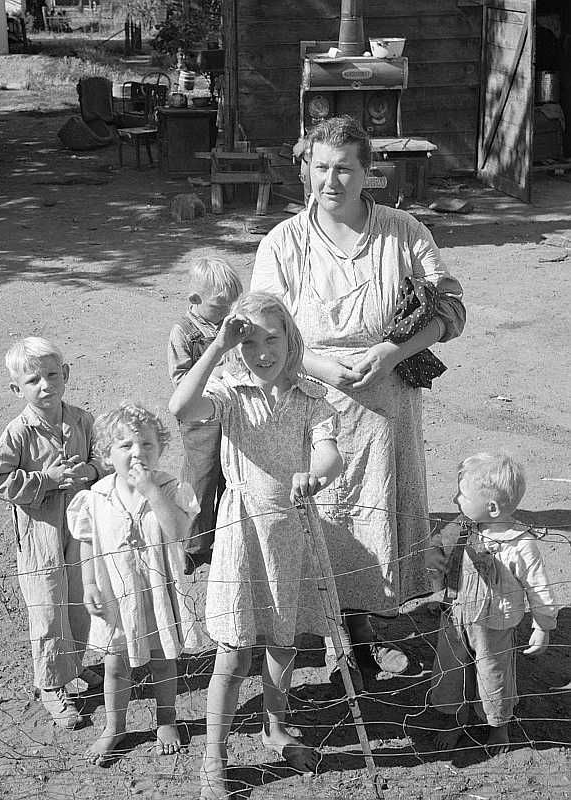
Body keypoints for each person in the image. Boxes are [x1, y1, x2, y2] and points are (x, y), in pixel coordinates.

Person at [251, 115, 466, 675]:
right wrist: (321, 365)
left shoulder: (404, 232)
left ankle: (365, 633)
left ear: (369, 173)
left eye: (344, 168)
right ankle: (318, 634)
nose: (330, 180)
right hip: (311, 405)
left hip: (384, 407)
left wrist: (390, 353)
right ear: (304, 171)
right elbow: (259, 329)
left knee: (373, 520)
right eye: (320, 167)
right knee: (320, 515)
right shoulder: (284, 242)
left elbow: (450, 310)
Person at [169, 292, 344, 799]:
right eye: (250, 342)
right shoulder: (230, 390)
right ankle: (214, 756)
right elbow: (181, 407)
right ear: (236, 347)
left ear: (291, 337)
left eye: (273, 338)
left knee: (283, 641)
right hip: (241, 531)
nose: (262, 352)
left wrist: (314, 475)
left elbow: (331, 455)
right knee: (233, 651)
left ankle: (275, 724)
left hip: (290, 530)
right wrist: (219, 345)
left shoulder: (312, 397)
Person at [67, 402, 202, 765]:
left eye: (146, 444)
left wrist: (150, 491)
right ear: (108, 454)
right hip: (115, 595)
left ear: (160, 448)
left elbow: (178, 532)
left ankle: (166, 720)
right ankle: (115, 727)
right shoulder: (96, 496)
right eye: (125, 445)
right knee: (115, 664)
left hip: (158, 593)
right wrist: (89, 583)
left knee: (161, 661)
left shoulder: (172, 488)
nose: (137, 452)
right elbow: (88, 540)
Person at [0, 337, 106, 728]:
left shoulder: (82, 421)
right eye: (33, 380)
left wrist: (90, 472)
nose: (45, 385)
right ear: (16, 388)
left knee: (79, 603)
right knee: (49, 610)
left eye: (52, 375)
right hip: (41, 537)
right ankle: (51, 685)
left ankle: (72, 666)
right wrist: (45, 480)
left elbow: (104, 458)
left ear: (66, 375)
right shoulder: (18, 432)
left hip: (81, 533)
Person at [426, 453, 558, 755]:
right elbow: (438, 555)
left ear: (492, 507)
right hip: (456, 615)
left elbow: (538, 586)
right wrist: (437, 593)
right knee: (452, 669)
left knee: (494, 674)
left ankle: (499, 726)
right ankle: (456, 719)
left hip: (495, 625)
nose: (455, 497)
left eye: (463, 494)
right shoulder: (463, 527)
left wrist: (543, 625)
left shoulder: (520, 543)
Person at [167, 257, 243, 575]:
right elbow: (181, 381)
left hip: (229, 413)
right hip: (199, 420)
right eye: (218, 305)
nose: (226, 312)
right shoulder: (183, 333)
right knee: (200, 478)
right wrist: (220, 366)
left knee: (230, 474)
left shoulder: (228, 325)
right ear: (195, 300)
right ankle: (191, 544)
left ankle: (228, 538)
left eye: (230, 305)